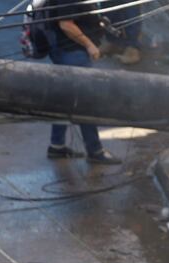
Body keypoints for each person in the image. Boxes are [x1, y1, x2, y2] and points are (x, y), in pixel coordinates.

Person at [46, 0, 121, 164]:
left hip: (64, 49)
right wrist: (89, 45)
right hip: (72, 52)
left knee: (64, 98)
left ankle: (56, 145)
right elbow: (66, 24)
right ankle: (95, 150)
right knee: (86, 100)